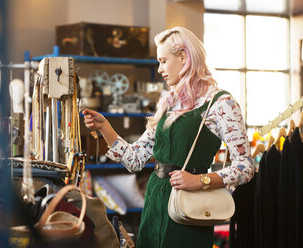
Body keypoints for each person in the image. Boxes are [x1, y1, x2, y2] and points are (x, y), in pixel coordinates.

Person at [83, 26, 254, 248]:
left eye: (163, 61)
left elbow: (245, 167)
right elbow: (134, 160)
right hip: (155, 204)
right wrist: (105, 127)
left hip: (190, 206)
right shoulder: (170, 103)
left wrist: (200, 181)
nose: (160, 69)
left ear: (183, 56)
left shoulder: (221, 104)